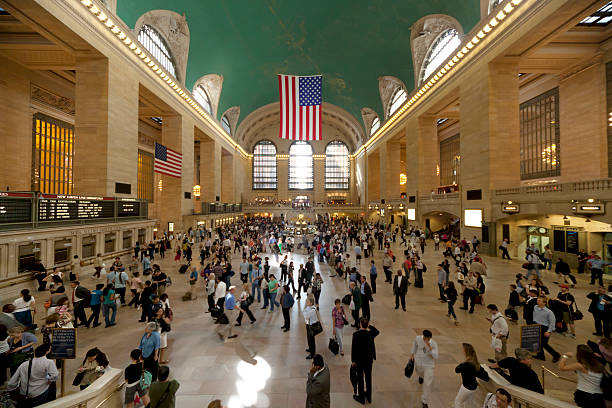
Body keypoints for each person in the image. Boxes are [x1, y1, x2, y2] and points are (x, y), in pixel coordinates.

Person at [351, 318, 379, 405]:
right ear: (367, 325)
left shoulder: (356, 334)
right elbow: (377, 331)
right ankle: (369, 397)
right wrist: (369, 325)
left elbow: (354, 349)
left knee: (360, 378)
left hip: (359, 360)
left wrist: (353, 360)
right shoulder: (370, 333)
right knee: (368, 377)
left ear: (360, 324)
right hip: (369, 360)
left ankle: (361, 398)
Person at [454, 343, 489, 408]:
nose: (462, 352)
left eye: (463, 350)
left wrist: (463, 362)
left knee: (457, 402)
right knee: (467, 403)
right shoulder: (475, 363)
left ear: (466, 352)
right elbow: (486, 377)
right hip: (474, 387)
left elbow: (456, 370)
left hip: (466, 387)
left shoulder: (466, 364)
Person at [410, 329, 438, 408]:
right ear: (424, 337)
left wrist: (431, 349)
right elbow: (414, 346)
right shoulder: (418, 338)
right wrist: (412, 354)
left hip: (429, 365)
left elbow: (436, 356)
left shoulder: (433, 344)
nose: (429, 340)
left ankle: (424, 401)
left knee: (427, 383)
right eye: (427, 339)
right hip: (419, 362)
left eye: (430, 339)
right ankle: (421, 376)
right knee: (419, 371)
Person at [533, 296, 560, 362]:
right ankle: (540, 356)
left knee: (544, 344)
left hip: (545, 328)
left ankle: (556, 355)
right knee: (538, 342)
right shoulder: (535, 307)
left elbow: (552, 322)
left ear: (544, 303)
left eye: (539, 300)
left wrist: (549, 331)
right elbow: (535, 315)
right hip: (537, 326)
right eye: (537, 300)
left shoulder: (549, 312)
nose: (537, 301)